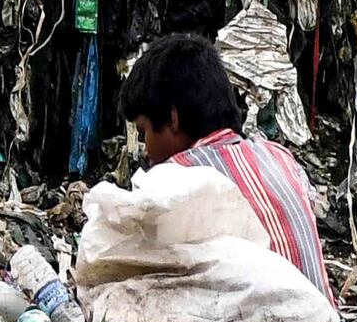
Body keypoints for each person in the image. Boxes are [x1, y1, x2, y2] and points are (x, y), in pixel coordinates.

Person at [121, 27, 325, 301]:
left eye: (143, 131)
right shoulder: (279, 157)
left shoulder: (175, 181)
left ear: (172, 119)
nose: (145, 150)